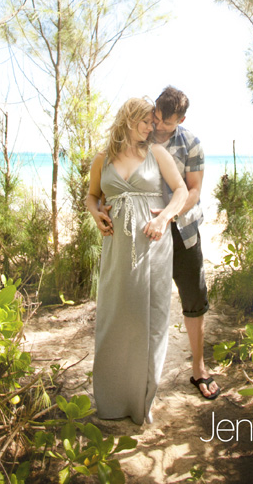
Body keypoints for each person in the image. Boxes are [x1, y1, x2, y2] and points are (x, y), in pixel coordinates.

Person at [86, 97, 187, 425]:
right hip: (116, 249)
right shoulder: (103, 158)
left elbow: (181, 191)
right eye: (145, 121)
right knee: (115, 318)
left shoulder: (157, 154)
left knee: (151, 321)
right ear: (128, 119)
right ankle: (112, 401)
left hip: (154, 246)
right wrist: (95, 213)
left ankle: (142, 400)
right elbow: (91, 195)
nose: (151, 127)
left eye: (153, 121)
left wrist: (164, 219)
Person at [152, 86, 220, 401]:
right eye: (156, 118)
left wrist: (167, 215)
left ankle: (198, 366)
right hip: (144, 232)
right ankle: (142, 374)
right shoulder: (142, 134)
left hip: (183, 232)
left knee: (194, 298)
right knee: (144, 301)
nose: (158, 127)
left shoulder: (192, 144)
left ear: (181, 118)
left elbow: (193, 192)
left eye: (166, 123)